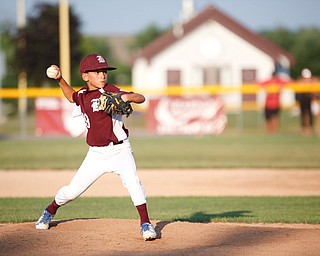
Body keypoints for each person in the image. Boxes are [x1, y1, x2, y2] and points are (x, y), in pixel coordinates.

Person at [35, 53, 157, 241]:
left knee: (134, 184)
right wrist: (60, 79)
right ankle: (50, 210)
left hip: (120, 150)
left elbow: (141, 98)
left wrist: (127, 97)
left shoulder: (111, 90)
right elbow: (71, 96)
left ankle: (145, 223)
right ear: (85, 76)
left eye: (104, 71)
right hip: (96, 154)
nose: (102, 75)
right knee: (72, 191)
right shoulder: (83, 95)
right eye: (97, 72)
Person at [295, 68, 315, 136]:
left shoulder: (312, 81)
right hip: (302, 99)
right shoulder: (300, 81)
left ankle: (310, 129)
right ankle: (303, 129)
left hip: (310, 99)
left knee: (310, 114)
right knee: (303, 114)